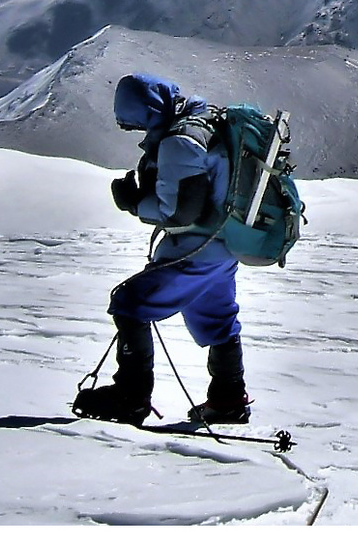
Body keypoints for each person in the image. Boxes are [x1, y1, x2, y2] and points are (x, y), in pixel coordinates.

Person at [73, 73, 251, 426]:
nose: (139, 130)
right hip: (223, 246)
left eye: (138, 122)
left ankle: (131, 396)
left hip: (194, 249)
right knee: (218, 321)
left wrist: (135, 202)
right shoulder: (205, 123)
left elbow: (181, 211)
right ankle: (229, 399)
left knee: (129, 303)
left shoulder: (179, 142)